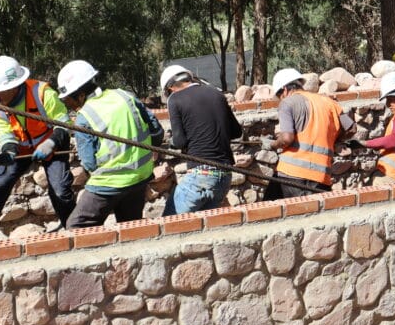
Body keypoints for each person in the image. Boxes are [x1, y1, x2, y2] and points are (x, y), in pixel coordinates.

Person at [0, 56, 75, 241]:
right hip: (21, 149)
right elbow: (6, 135)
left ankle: (74, 230)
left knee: (60, 190)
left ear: (14, 86)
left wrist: (50, 143)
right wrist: (9, 150)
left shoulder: (43, 93)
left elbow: (63, 125)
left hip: (52, 144)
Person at [57, 60, 164, 227]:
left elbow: (89, 163)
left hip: (109, 182)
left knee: (77, 226)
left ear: (81, 95)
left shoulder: (84, 117)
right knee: (130, 226)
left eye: (68, 100)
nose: (68, 105)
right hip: (140, 177)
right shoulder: (125, 96)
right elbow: (156, 130)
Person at [160, 64, 242, 215]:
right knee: (203, 227)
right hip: (225, 177)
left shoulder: (175, 99)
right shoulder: (216, 94)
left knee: (169, 223)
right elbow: (237, 132)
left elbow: (179, 142)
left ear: (170, 87)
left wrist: (172, 141)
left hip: (200, 176)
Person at [262, 68, 355, 199]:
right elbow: (352, 129)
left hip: (291, 174)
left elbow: (287, 138)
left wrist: (272, 145)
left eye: (279, 95)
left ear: (284, 89)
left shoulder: (287, 103)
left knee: (271, 212)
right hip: (321, 177)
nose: (280, 99)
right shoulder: (329, 102)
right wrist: (335, 140)